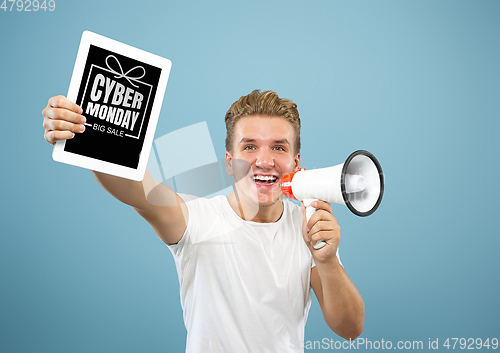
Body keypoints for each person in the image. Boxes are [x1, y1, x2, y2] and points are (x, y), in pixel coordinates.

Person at [42, 90, 364, 352]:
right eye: (249, 146)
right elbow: (139, 191)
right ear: (229, 161)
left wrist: (327, 261)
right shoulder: (196, 220)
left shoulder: (309, 228)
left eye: (278, 148)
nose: (264, 161)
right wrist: (81, 134)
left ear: (295, 162)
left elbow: (350, 328)